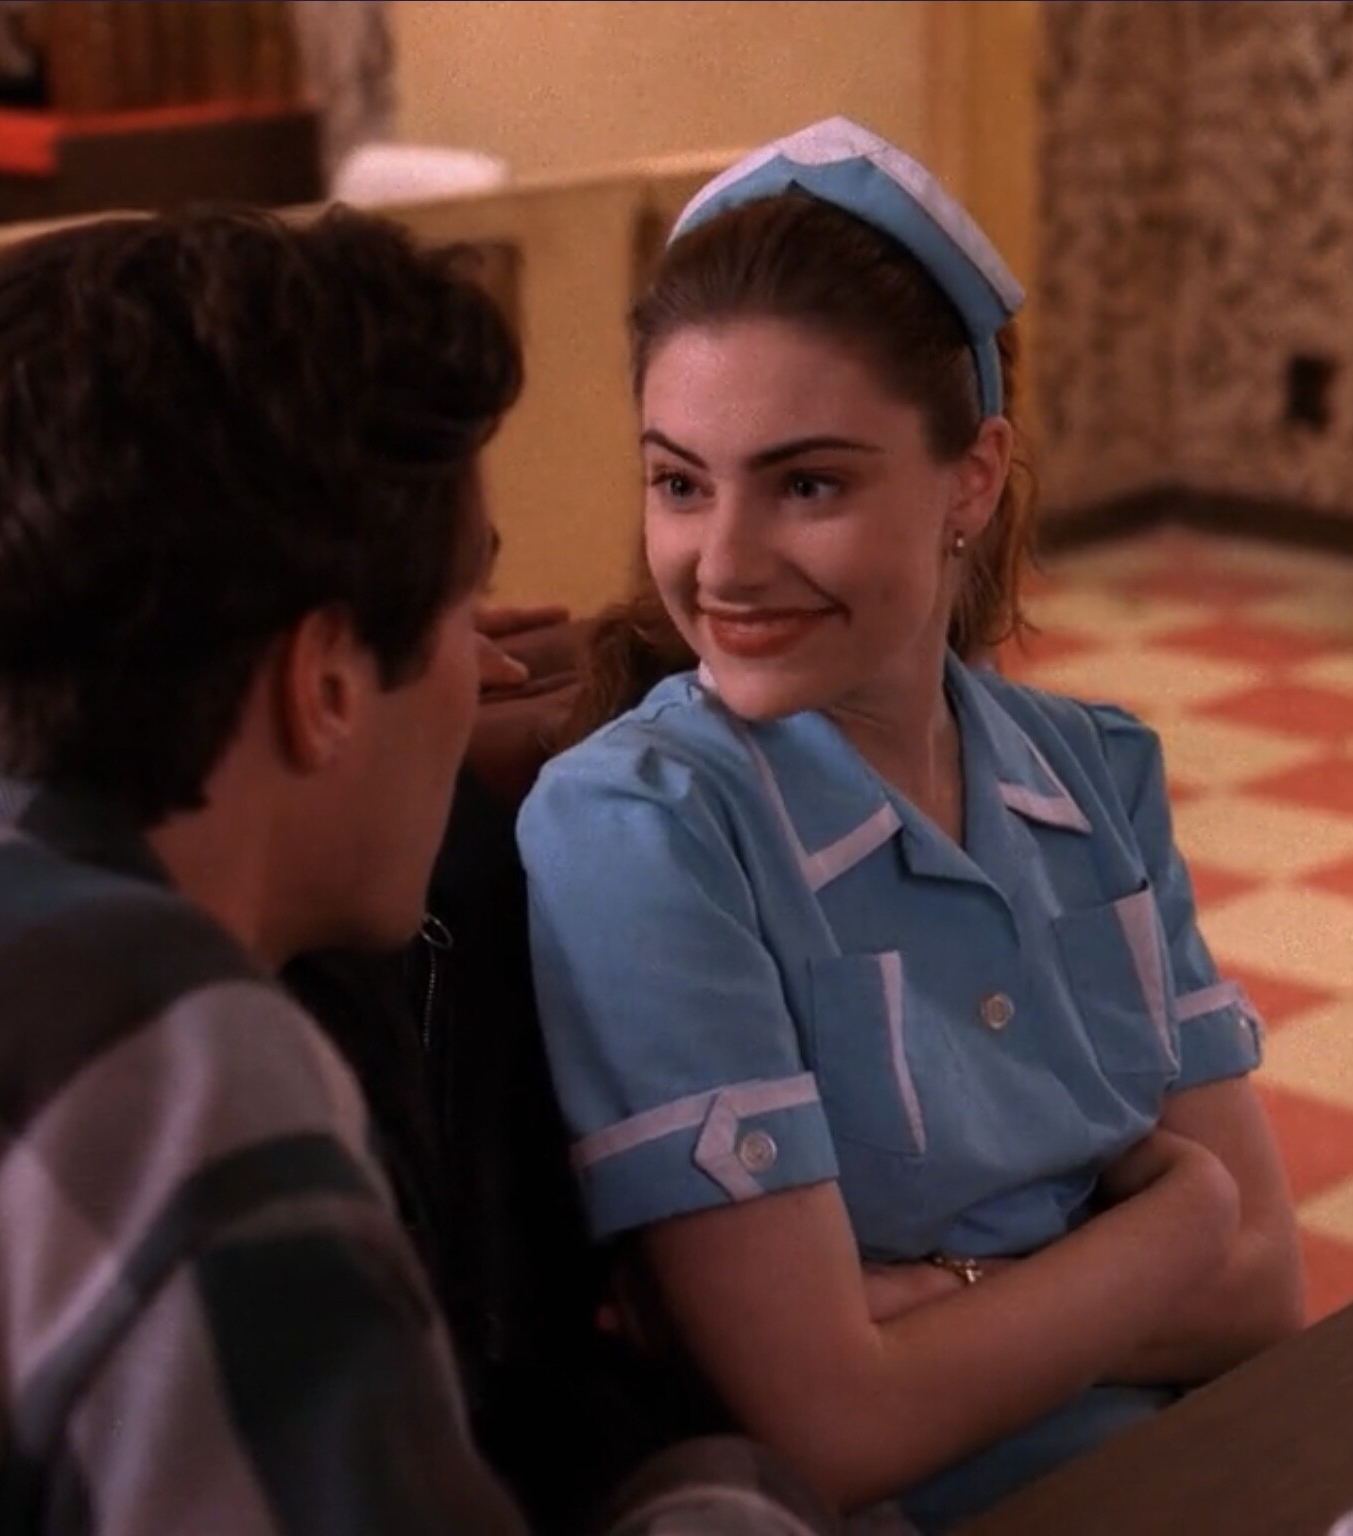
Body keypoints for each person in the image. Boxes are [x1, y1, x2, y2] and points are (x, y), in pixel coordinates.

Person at [0, 203, 834, 1536]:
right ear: (323, 684)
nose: (489, 668)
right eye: (462, 610)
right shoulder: (171, 1061)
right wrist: (723, 1483)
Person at [517, 118, 1306, 1533]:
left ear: (971, 479)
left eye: (807, 484)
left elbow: (1265, 1293)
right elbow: (833, 1427)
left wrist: (942, 1310)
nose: (723, 563)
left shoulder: (1095, 773)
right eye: (680, 482)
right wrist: (1179, 1216)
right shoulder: (644, 826)